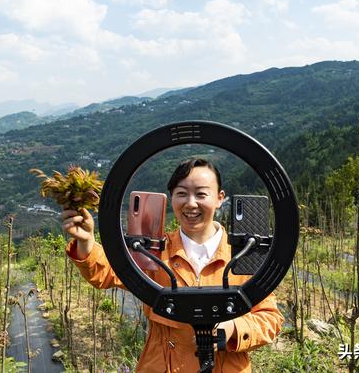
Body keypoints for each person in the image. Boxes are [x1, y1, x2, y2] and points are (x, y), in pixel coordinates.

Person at [62, 158, 283, 372]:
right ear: (171, 198)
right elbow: (110, 272)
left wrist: (234, 329)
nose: (191, 203)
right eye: (181, 194)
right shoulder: (154, 252)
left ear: (219, 198)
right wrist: (87, 241)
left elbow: (269, 318)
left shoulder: (244, 255)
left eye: (201, 194)